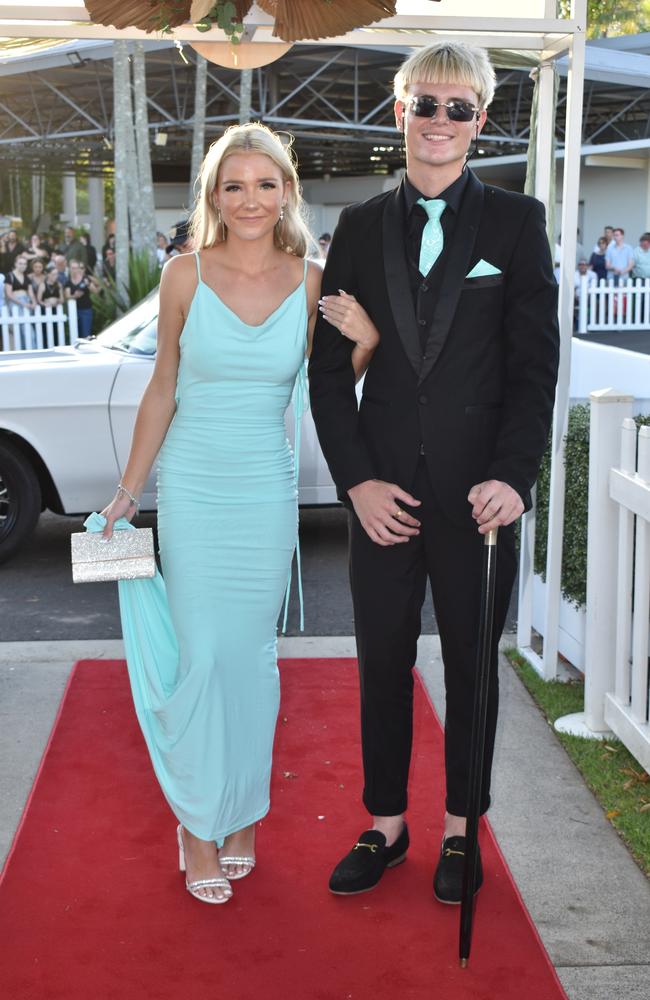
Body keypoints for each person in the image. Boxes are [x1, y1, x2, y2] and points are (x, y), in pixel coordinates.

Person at [309, 41, 559, 904]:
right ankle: (385, 823)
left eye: (459, 108)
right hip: (382, 490)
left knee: (471, 667)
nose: (440, 122)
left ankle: (461, 830)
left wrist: (514, 477)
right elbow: (327, 372)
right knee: (380, 657)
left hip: (476, 496)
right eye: (426, 104)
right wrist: (357, 482)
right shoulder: (359, 226)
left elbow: (533, 367)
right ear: (400, 110)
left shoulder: (517, 224)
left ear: (481, 120)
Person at [99, 123, 373, 906]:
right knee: (205, 656)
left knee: (252, 662)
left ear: (285, 190)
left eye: (264, 183)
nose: (249, 199)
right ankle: (195, 825)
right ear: (213, 196)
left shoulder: (314, 278)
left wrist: (366, 343)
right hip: (191, 483)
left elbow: (324, 385)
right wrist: (128, 490)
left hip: (263, 486)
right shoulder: (185, 274)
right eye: (233, 185)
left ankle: (243, 814)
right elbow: (163, 389)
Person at [3, 254, 37, 348]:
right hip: (15, 303)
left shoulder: (26, 277)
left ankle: (30, 350)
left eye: (25, 264)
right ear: (15, 264)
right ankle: (27, 350)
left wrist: (34, 302)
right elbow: (9, 294)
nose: (23, 266)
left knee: (27, 327)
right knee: (23, 329)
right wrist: (23, 304)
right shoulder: (9, 276)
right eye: (20, 263)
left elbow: (30, 292)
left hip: (26, 301)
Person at [65, 260, 98, 338]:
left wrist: (88, 284)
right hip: (74, 311)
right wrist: (75, 296)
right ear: (69, 269)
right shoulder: (68, 281)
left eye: (76, 268)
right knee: (75, 334)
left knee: (86, 334)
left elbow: (95, 291)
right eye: (73, 268)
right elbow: (67, 296)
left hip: (86, 309)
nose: (75, 270)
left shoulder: (85, 279)